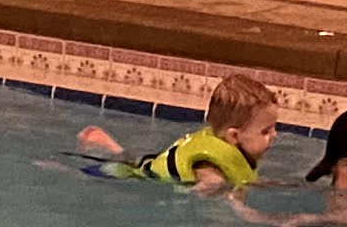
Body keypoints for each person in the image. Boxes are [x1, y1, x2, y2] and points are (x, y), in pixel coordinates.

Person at [76, 72, 280, 194]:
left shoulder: (227, 150)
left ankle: (112, 148)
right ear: (233, 136)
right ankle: (112, 148)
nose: (275, 135)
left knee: (134, 162)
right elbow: (207, 187)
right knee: (126, 170)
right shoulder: (210, 168)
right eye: (266, 131)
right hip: (143, 177)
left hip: (152, 164)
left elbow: (243, 179)